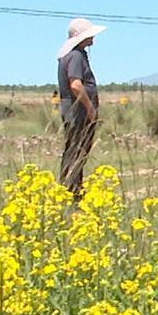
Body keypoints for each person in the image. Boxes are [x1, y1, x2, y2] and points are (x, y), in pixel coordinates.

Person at [56, 18, 106, 197]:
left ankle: (70, 189)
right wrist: (90, 108)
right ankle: (72, 191)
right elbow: (76, 85)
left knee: (74, 151)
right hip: (78, 114)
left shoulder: (71, 55)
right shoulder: (76, 56)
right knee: (77, 152)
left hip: (73, 113)